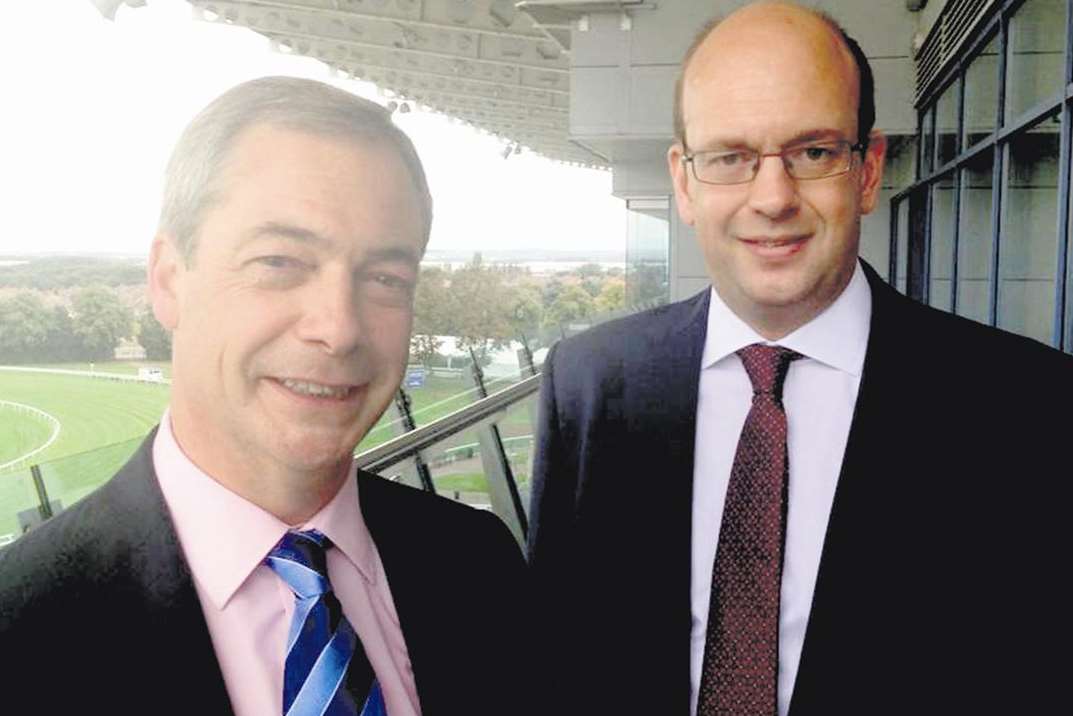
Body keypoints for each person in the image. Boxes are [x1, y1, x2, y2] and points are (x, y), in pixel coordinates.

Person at [527, 2, 1072, 714]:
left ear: (867, 170)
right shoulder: (589, 385)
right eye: (730, 157)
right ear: (684, 182)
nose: (772, 197)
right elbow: (553, 655)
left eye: (812, 152)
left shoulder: (1028, 407)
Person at [0, 77, 528, 715]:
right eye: (278, 262)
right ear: (169, 281)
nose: (338, 328)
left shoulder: (477, 563)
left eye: (385, 277)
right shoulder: (21, 629)